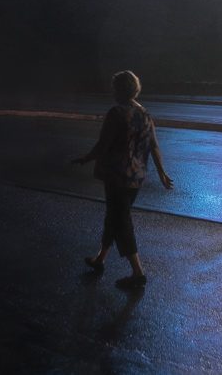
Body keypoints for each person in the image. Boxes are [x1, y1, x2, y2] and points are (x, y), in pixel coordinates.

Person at [72, 70, 173, 289]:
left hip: (117, 175)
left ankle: (137, 272)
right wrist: (162, 172)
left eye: (114, 87)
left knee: (121, 221)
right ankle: (100, 258)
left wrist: (86, 158)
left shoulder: (116, 113)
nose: (112, 91)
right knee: (115, 216)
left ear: (119, 89)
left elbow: (103, 144)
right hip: (137, 176)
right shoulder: (144, 114)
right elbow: (154, 145)